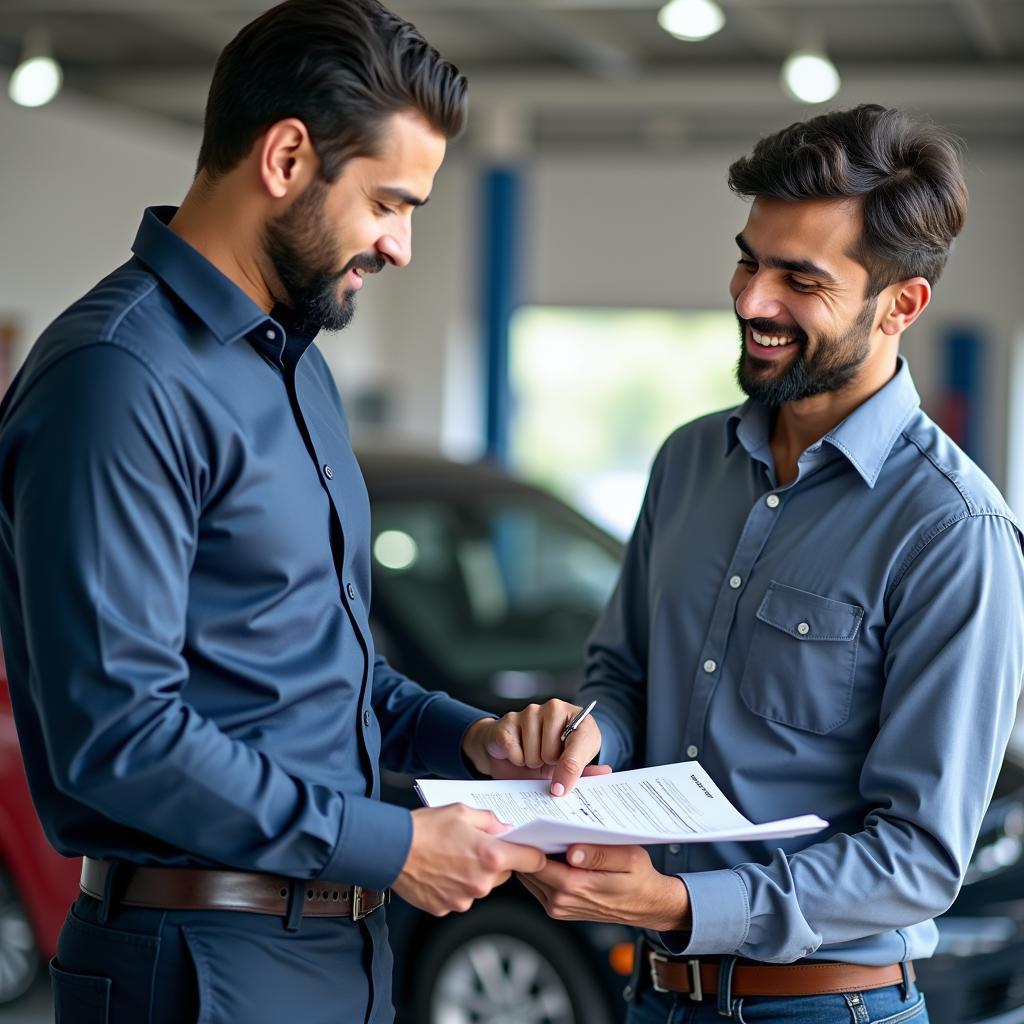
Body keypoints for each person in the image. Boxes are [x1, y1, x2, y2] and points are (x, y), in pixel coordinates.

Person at [0, 3, 601, 1022]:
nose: (402, 246)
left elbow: (321, 677)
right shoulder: (118, 379)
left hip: (337, 953)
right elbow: (120, 733)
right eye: (389, 202)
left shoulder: (296, 372)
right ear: (285, 157)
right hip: (195, 962)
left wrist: (472, 742)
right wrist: (398, 844)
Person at [515, 105, 1024, 1023]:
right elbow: (622, 676)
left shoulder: (952, 530)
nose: (753, 300)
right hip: (656, 997)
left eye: (801, 279)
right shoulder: (685, 462)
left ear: (900, 304)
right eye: (750, 259)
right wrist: (596, 735)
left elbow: (918, 856)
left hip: (827, 1008)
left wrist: (681, 906)